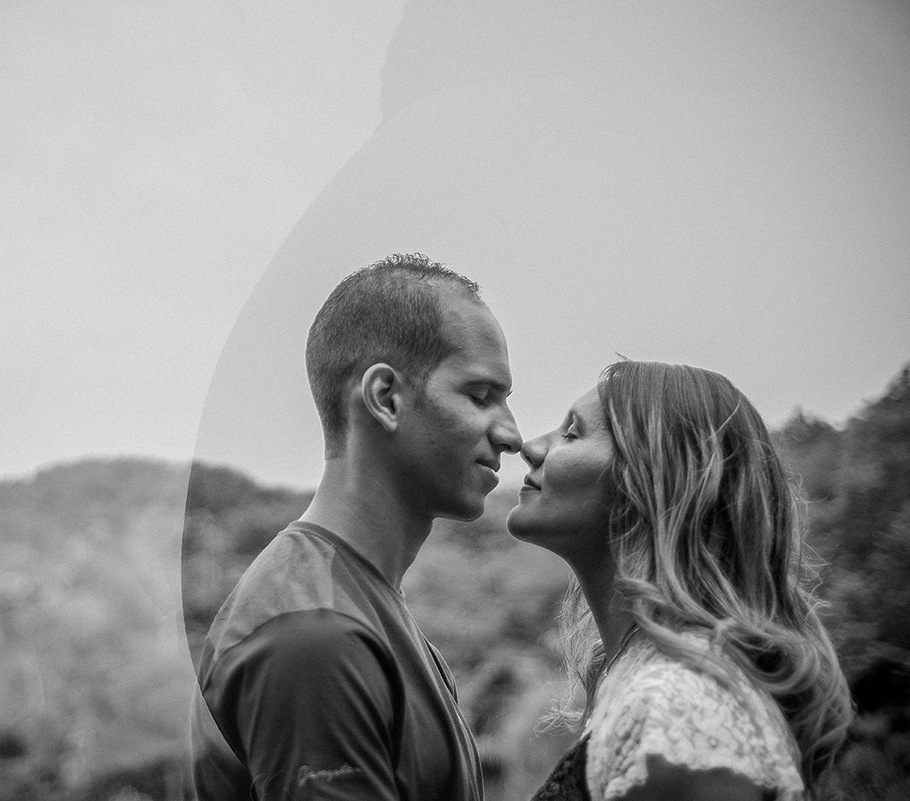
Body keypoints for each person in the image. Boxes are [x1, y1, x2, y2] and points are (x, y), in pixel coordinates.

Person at [191, 253, 521, 800]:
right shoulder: (314, 637)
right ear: (385, 398)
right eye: (480, 396)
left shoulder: (366, 611)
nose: (511, 434)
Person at [507, 361, 854, 801]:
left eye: (572, 433)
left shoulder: (680, 701)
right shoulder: (652, 679)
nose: (530, 446)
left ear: (652, 482)